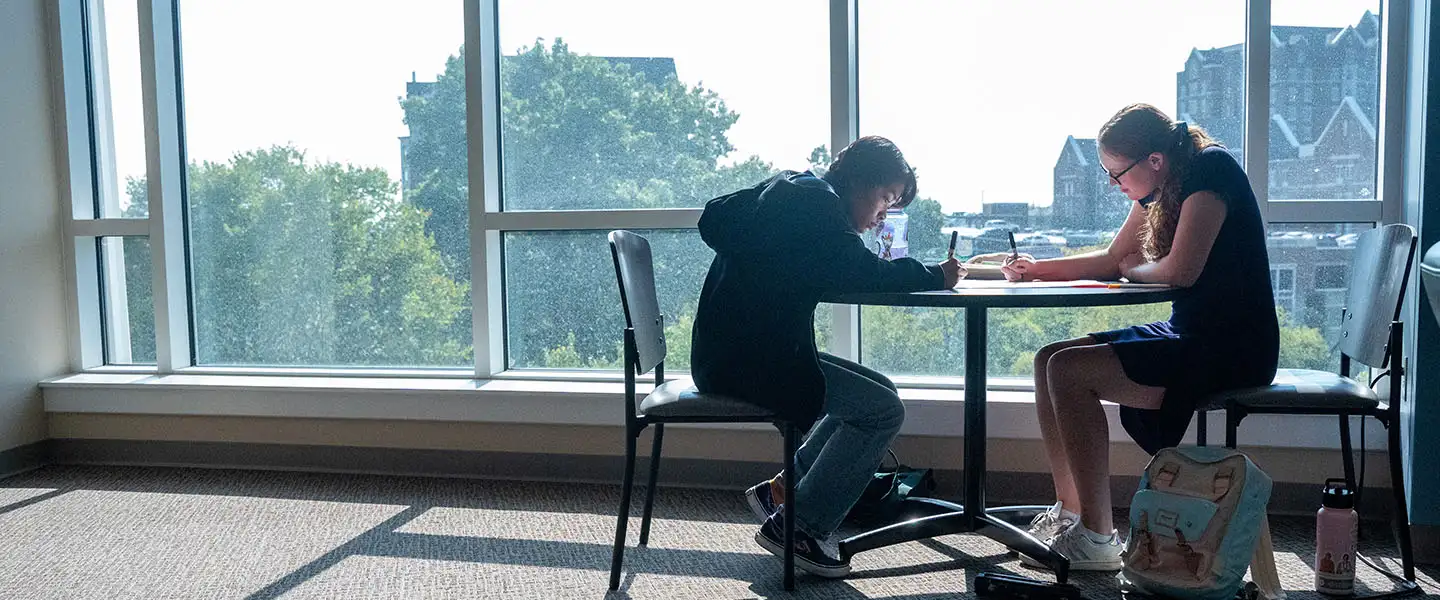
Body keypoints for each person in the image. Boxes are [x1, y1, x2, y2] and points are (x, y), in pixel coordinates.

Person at [1001, 104, 1279, 571]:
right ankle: (1070, 516)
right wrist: (1035, 270)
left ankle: (1097, 536)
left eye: (1117, 173)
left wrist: (1134, 272)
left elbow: (1180, 271)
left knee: (1068, 371)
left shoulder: (1211, 170)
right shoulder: (1165, 183)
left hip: (1230, 345)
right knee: (1049, 356)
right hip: (1193, 329)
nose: (1114, 184)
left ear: (1154, 159)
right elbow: (1114, 258)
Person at [690, 136, 965, 577]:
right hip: (750, 364)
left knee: (880, 392)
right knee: (881, 412)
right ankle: (800, 526)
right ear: (859, 182)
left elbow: (837, 262)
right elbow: (861, 271)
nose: (882, 216)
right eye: (885, 199)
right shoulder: (815, 210)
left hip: (729, 354)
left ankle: (785, 490)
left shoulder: (795, 191)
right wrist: (934, 275)